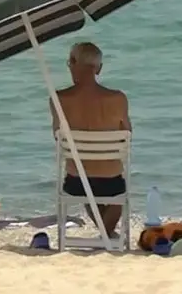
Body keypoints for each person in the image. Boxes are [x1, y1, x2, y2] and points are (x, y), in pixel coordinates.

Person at [51, 42, 131, 238]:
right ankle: (107, 236)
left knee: (87, 183)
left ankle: (105, 235)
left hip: (76, 182)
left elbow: (57, 137)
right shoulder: (118, 99)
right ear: (99, 68)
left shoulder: (58, 99)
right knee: (117, 191)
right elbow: (127, 135)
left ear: (71, 63)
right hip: (111, 181)